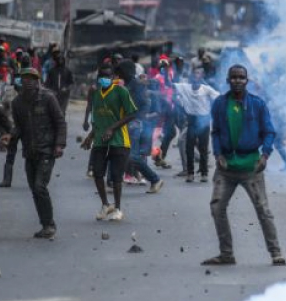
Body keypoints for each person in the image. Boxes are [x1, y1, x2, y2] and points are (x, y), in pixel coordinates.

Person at [203, 64, 284, 266]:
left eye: (241, 77)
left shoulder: (258, 104)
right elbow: (215, 132)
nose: (237, 80)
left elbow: (269, 132)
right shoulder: (220, 104)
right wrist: (218, 154)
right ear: (228, 80)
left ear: (247, 81)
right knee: (217, 208)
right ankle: (226, 254)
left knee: (263, 210)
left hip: (251, 167)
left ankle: (276, 253)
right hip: (226, 167)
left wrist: (264, 155)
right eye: (234, 77)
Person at [2, 68, 66, 238]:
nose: (29, 81)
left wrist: (59, 144)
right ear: (21, 81)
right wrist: (10, 136)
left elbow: (60, 122)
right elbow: (18, 127)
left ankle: (49, 225)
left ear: (37, 80)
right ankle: (45, 224)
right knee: (34, 189)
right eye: (25, 78)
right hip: (30, 152)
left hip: (47, 150)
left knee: (39, 186)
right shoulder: (17, 103)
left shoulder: (48, 98)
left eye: (32, 78)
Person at [82, 64, 137, 221]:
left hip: (119, 141)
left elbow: (132, 114)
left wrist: (112, 129)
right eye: (101, 77)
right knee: (98, 173)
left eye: (107, 76)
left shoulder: (121, 91)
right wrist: (90, 137)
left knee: (116, 176)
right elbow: (98, 119)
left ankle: (118, 208)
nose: (104, 79)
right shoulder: (96, 94)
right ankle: (105, 204)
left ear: (113, 77)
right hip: (100, 140)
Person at [115, 62, 164, 194]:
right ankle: (113, 182)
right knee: (120, 153)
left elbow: (144, 104)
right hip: (126, 123)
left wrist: (137, 119)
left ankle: (155, 179)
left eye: (119, 72)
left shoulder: (136, 85)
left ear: (126, 72)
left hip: (134, 124)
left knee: (133, 156)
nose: (118, 75)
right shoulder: (127, 85)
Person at [174, 67, 220, 182]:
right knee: (189, 147)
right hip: (192, 121)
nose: (196, 76)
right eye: (194, 74)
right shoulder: (185, 87)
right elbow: (171, 85)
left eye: (198, 74)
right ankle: (190, 173)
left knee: (203, 148)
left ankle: (204, 173)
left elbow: (219, 98)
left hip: (204, 121)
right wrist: (165, 70)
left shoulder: (206, 89)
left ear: (201, 77)